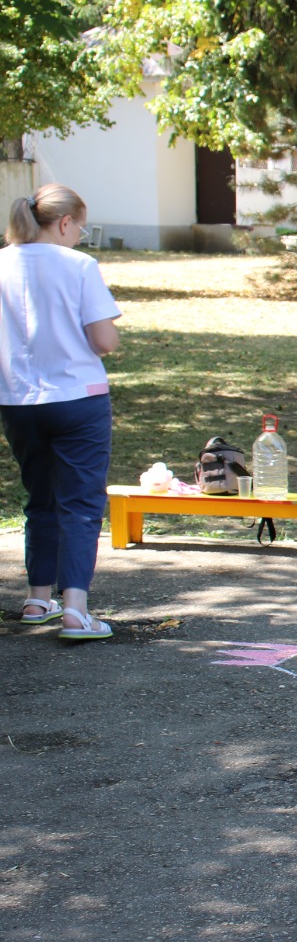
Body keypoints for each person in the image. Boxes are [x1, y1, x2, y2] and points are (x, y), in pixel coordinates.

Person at [1, 185, 120, 640]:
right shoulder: (78, 265)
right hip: (77, 397)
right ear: (66, 223)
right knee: (81, 503)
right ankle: (75, 608)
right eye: (79, 228)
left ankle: (37, 597)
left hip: (17, 399)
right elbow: (104, 340)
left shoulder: (2, 263)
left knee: (40, 499)